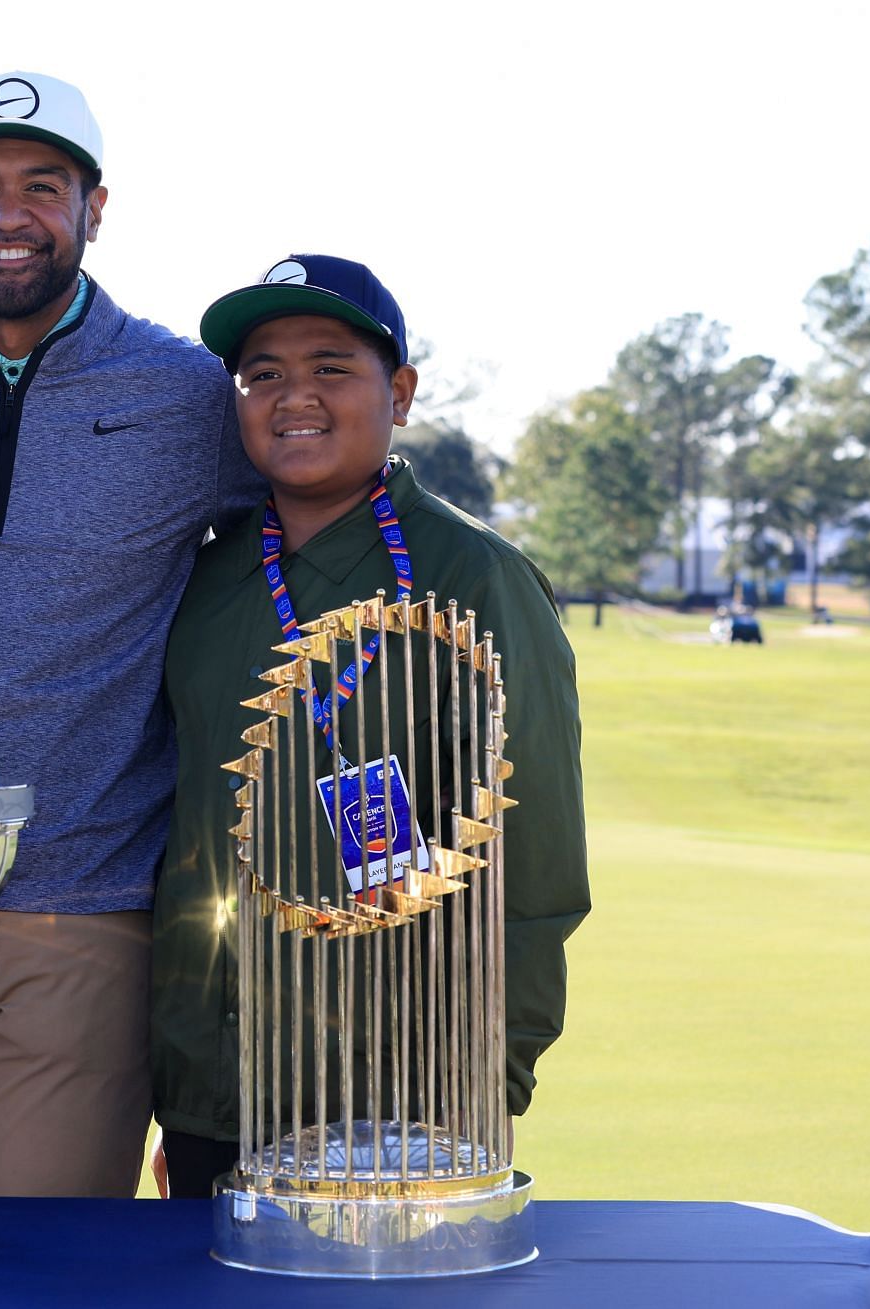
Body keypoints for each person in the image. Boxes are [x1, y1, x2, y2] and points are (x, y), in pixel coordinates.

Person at [0, 70, 264, 1198]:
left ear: (97, 208)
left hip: (86, 906)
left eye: (45, 186)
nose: (9, 215)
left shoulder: (187, 391)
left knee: (50, 1259)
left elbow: (290, 534)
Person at [149, 254, 590, 1196]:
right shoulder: (207, 574)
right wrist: (180, 1093)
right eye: (262, 372)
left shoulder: (476, 580)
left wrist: (487, 1084)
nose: (292, 395)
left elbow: (536, 855)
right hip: (210, 1095)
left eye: (329, 367)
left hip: (402, 1104)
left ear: (401, 391)